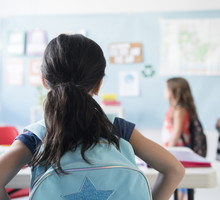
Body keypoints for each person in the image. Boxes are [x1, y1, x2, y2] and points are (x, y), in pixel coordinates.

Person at [0, 34, 184, 200]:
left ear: (44, 82)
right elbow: (174, 169)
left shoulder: (36, 136)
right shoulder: (117, 129)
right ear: (98, 84)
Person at [162, 77, 198, 200]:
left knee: (181, 184)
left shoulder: (179, 110)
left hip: (178, 150)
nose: (164, 91)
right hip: (176, 150)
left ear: (174, 91)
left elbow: (176, 132)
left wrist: (168, 150)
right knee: (179, 184)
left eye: (166, 88)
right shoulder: (174, 108)